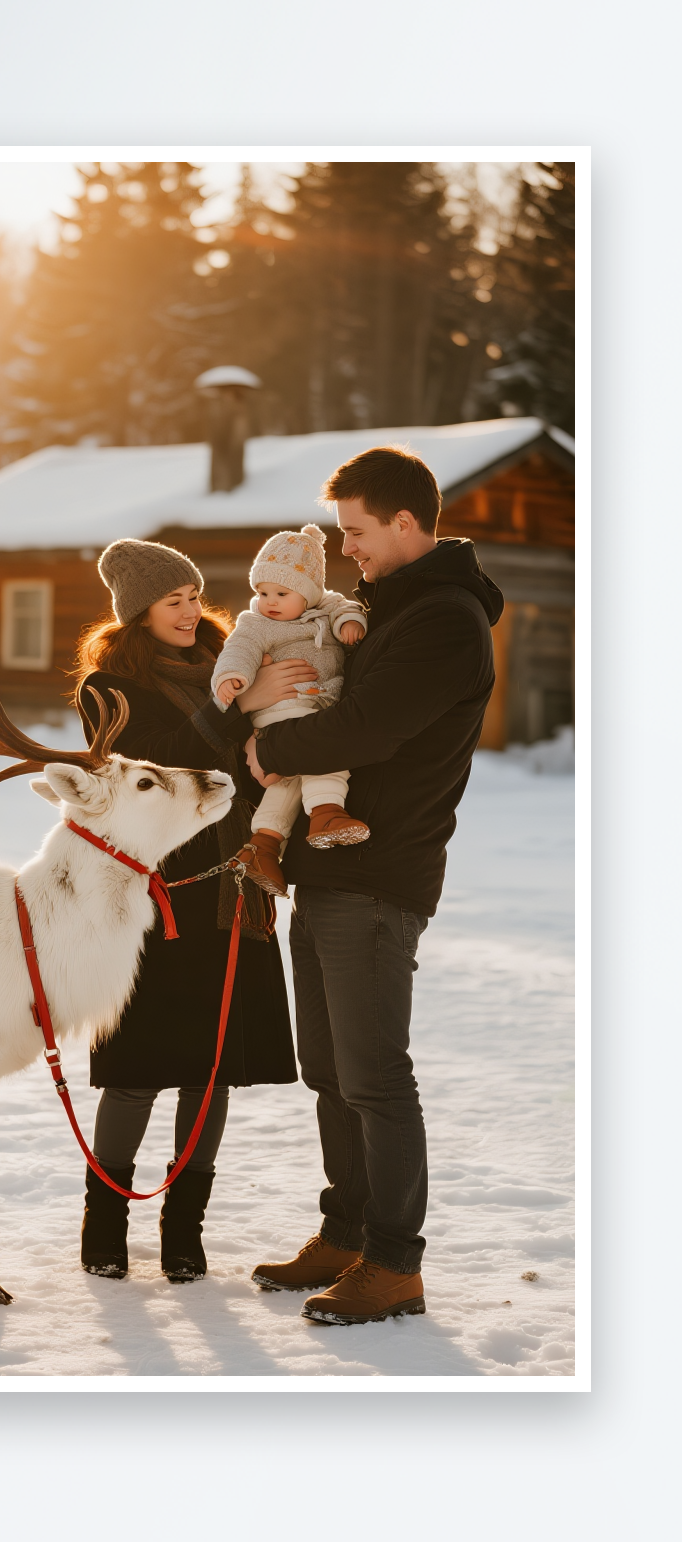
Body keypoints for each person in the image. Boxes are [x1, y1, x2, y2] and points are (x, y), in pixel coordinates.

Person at [245, 445, 504, 1327]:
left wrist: (270, 746)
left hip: (380, 873)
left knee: (374, 1075)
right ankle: (346, 1232)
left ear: (404, 522)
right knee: (327, 1071)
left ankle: (394, 1264)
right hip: (325, 868)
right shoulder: (381, 607)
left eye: (355, 532)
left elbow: (366, 727)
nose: (346, 548)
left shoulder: (444, 619)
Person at [72, 537, 299, 1284]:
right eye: (172, 600)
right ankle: (105, 1221)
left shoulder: (235, 663)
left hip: (231, 891)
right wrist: (239, 706)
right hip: (153, 899)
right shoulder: (109, 689)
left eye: (194, 596)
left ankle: (183, 1229)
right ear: (138, 612)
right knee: (137, 1067)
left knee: (212, 1069)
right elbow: (161, 764)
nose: (189, 610)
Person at [210, 522, 370, 898]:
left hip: (316, 704)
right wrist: (231, 676)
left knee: (289, 780)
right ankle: (326, 812)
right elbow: (239, 648)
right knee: (321, 750)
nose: (270, 601)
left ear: (309, 593)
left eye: (282, 593)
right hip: (281, 706)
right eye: (263, 592)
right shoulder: (257, 623)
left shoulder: (327, 606)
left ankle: (263, 844)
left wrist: (350, 622)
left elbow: (347, 607)